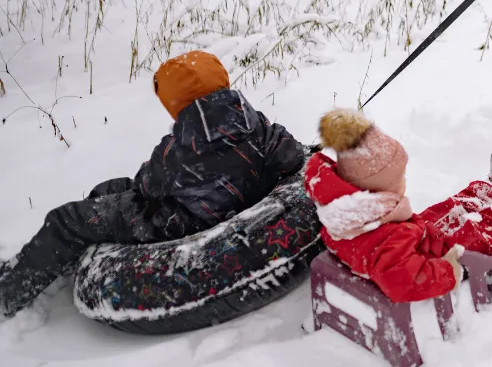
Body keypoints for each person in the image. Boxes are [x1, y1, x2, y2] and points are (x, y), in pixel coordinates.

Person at [0, 51, 306, 319]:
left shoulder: (178, 147)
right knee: (113, 189)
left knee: (68, 219)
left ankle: (9, 292)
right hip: (232, 205)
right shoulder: (259, 123)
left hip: (181, 222)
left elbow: (146, 185)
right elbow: (291, 154)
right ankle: (75, 256)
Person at [306, 109, 492, 303]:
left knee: (451, 208)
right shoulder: (385, 241)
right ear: (375, 190)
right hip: (433, 258)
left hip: (414, 240)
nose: (404, 181)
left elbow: (384, 249)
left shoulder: (349, 216)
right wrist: (448, 270)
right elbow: (403, 281)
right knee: (482, 230)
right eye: (399, 179)